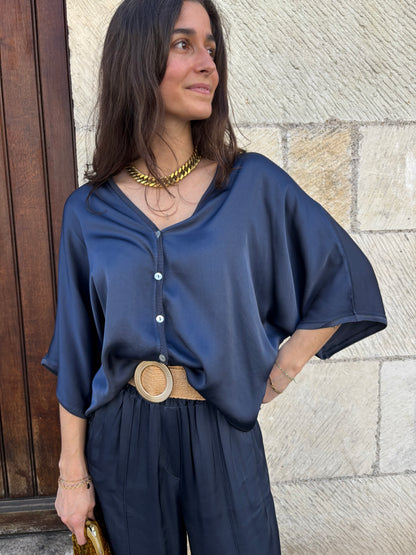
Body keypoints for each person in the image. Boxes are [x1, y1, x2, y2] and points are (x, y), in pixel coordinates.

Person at [42, 0, 387, 553]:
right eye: (183, 44)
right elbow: (77, 352)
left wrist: (282, 370)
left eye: (211, 47)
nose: (208, 63)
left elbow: (343, 276)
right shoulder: (88, 210)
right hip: (121, 439)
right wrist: (71, 475)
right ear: (137, 59)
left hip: (222, 430)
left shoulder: (251, 185)